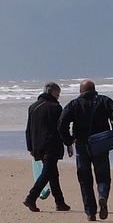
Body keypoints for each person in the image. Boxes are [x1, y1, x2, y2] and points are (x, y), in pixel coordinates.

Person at [58, 79, 113, 221]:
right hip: (101, 144)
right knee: (103, 176)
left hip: (82, 145)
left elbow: (62, 123)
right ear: (94, 89)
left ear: (81, 91)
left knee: (84, 179)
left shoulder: (74, 104)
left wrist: (68, 140)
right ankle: (102, 196)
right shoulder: (104, 100)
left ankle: (90, 212)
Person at [23, 82, 72, 212]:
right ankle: (31, 197)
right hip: (51, 144)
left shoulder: (32, 107)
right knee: (47, 172)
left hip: (37, 145)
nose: (58, 97)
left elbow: (28, 129)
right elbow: (61, 128)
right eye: (57, 94)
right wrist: (68, 143)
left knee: (52, 173)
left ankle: (60, 202)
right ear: (53, 93)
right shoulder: (56, 107)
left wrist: (30, 147)